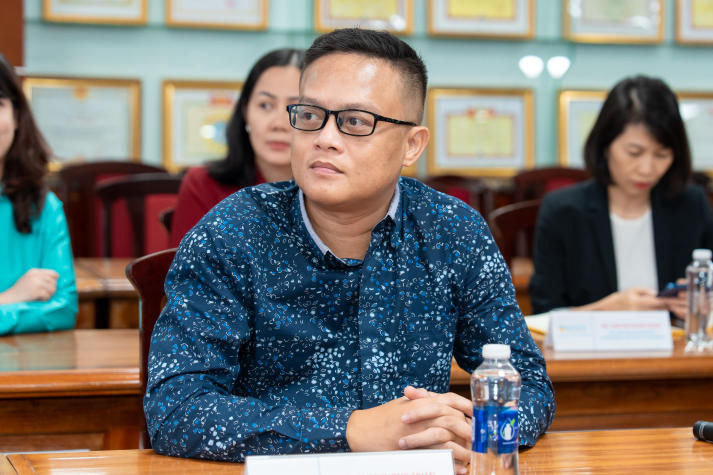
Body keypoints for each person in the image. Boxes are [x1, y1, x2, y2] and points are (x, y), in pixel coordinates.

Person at [145, 29, 554, 472]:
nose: (324, 138)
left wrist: (470, 431)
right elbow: (174, 408)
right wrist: (351, 431)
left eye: (356, 122)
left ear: (412, 145)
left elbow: (529, 385)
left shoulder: (453, 232)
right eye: (310, 115)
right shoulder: (233, 231)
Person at [530, 75, 713, 317]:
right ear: (605, 146)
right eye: (634, 152)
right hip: (591, 343)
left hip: (672, 341)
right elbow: (543, 315)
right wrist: (604, 311)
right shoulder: (562, 210)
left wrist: (702, 304)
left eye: (662, 155)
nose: (647, 169)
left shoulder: (691, 205)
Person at [169, 48, 304, 246]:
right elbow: (183, 264)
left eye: (297, 109)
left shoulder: (333, 191)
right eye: (265, 105)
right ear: (245, 112)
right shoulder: (203, 184)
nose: (279, 124)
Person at [0, 54, 77, 334]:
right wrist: (11, 297)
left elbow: (63, 310)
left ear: (17, 116)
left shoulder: (44, 206)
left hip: (26, 359)